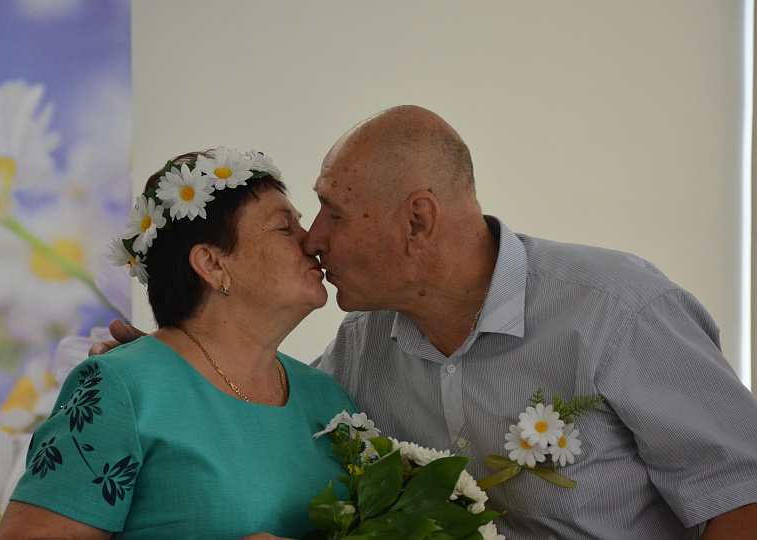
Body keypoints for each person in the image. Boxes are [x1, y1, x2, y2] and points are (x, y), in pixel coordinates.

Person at [94, 106, 757, 539]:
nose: (314, 239)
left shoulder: (620, 310)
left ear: (417, 222)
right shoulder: (362, 346)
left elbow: (741, 498)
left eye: (334, 214)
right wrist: (177, 366)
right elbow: (265, 411)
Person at [0, 148, 355, 539]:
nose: (312, 242)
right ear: (211, 264)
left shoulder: (328, 399)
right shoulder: (120, 389)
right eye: (284, 227)